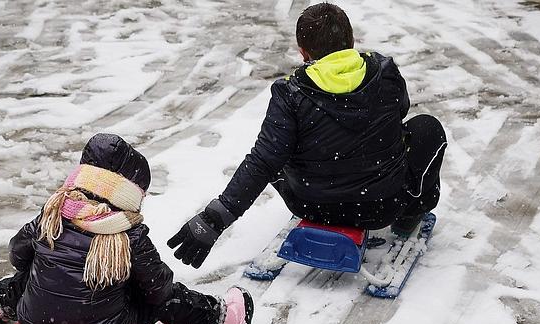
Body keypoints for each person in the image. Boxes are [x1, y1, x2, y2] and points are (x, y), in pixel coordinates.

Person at [167, 2, 447, 268]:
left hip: (311, 204)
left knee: (275, 151)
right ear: (351, 42)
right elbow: (401, 113)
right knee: (426, 129)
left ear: (303, 52)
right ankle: (409, 215)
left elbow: (263, 162)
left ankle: (334, 191)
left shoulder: (290, 93)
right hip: (381, 206)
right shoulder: (384, 72)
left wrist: (215, 219)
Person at [0, 133, 254, 324]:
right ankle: (228, 321)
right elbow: (159, 290)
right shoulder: (128, 234)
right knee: (166, 299)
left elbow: (17, 255)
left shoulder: (51, 216)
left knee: (33, 273)